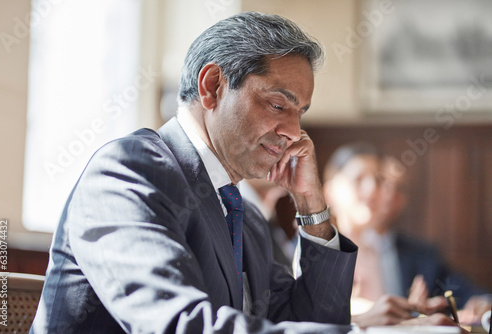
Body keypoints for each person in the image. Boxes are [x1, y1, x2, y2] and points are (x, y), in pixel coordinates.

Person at [31, 12, 359, 333]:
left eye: (299, 113)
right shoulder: (127, 171)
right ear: (213, 85)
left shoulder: (247, 219)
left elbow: (316, 322)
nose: (294, 131)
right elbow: (177, 323)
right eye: (277, 105)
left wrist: (310, 204)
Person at [322, 142, 489, 328]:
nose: (372, 190)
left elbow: (466, 293)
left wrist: (417, 314)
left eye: (378, 180)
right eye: (358, 179)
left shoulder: (416, 254)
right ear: (329, 193)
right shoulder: (309, 255)